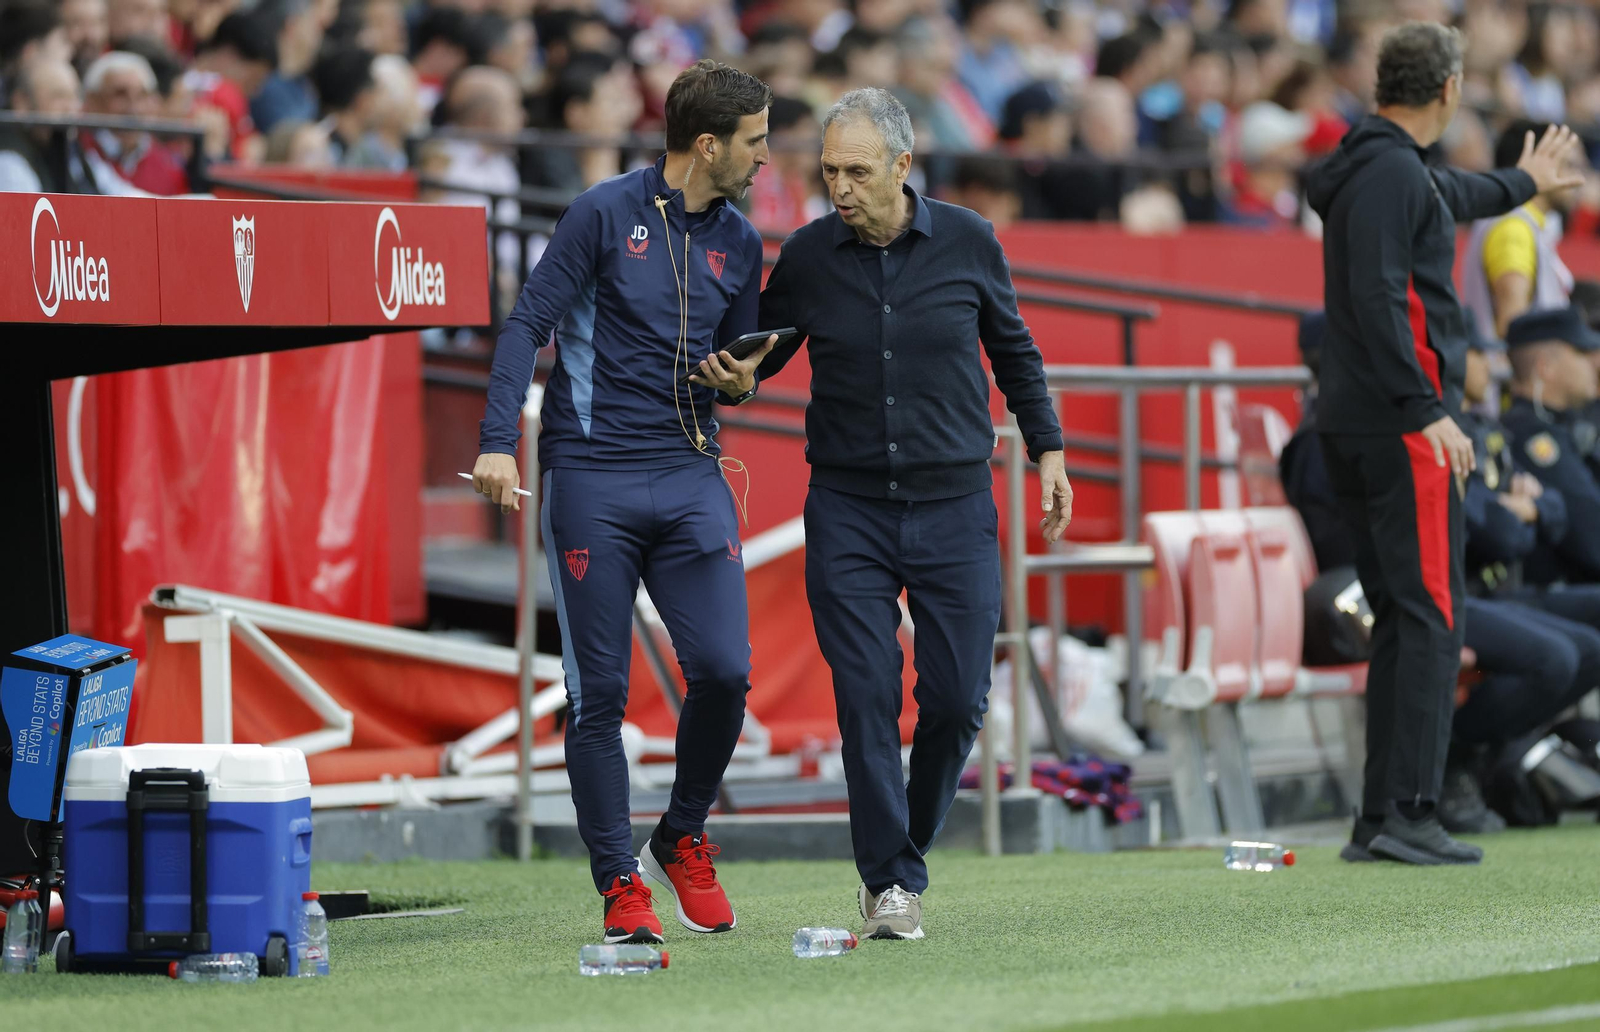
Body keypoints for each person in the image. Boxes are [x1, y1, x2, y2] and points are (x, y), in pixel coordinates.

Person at [738, 87, 1068, 940]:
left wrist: (1049, 449)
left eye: (855, 172)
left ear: (902, 165)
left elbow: (1015, 350)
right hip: (847, 507)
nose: (838, 188)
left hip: (956, 503)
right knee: (865, 696)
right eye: (828, 172)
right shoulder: (808, 255)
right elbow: (761, 353)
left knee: (957, 702)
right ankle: (890, 881)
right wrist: (737, 378)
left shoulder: (969, 240)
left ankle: (900, 852)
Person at [472, 59, 772, 946]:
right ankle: (618, 883)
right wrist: (496, 440)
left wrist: (744, 381)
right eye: (755, 141)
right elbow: (526, 324)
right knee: (598, 690)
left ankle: (680, 836)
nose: (765, 158)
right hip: (591, 475)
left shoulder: (741, 241)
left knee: (724, 671)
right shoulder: (601, 213)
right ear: (708, 145)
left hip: (691, 473)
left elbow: (740, 364)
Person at [1303, 21, 1582, 866]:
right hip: (1402, 425)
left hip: (1362, 421)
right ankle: (1408, 812)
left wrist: (1524, 181)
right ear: (1451, 90)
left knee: (1406, 614)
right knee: (1430, 614)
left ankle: (1383, 816)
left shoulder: (1379, 166)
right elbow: (1383, 298)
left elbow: (1454, 195)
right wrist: (1427, 407)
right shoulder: (1394, 173)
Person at [1500, 306, 1600, 588]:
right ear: (1545, 367)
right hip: (1553, 592)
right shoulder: (1531, 434)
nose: (1594, 363)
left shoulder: (1559, 425)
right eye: (1581, 352)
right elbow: (1593, 537)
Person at [1461, 120, 1583, 341]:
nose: (1579, 180)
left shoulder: (1525, 224)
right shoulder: (1513, 227)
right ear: (1535, 163)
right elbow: (1514, 326)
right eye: (1570, 165)